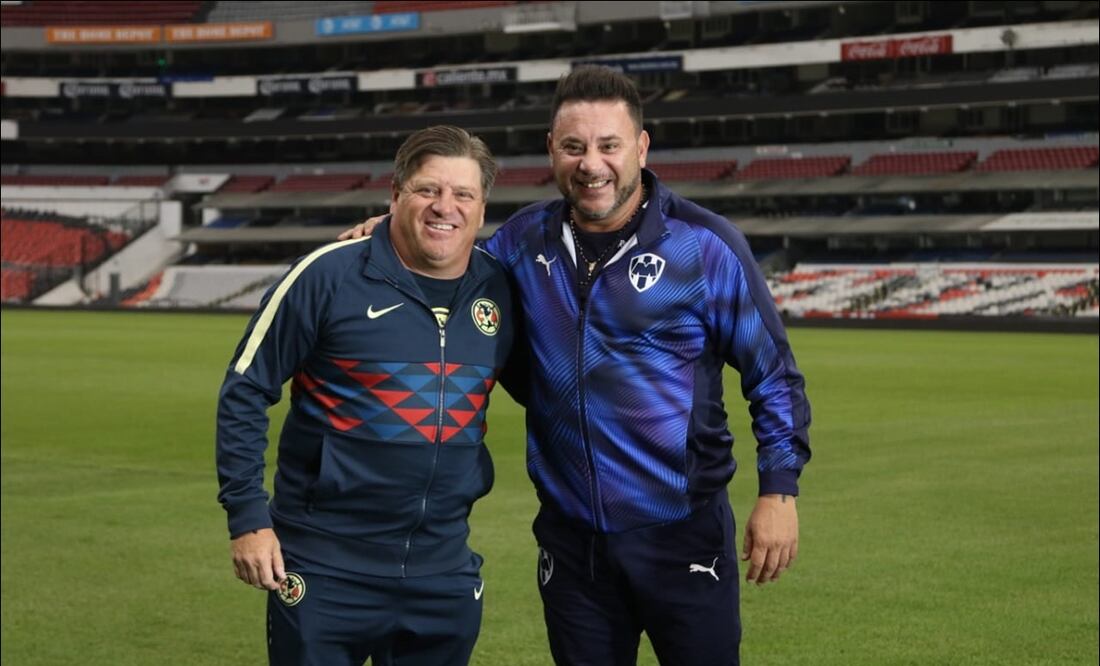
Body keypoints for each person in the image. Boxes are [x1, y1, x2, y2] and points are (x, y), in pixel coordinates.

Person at [340, 65, 811, 665]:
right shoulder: (521, 241)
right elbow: (450, 253)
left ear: (640, 146)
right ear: (552, 152)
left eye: (609, 145)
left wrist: (779, 492)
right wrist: (394, 225)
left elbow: (773, 375)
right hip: (571, 541)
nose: (592, 163)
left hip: (682, 533)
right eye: (574, 147)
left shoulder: (706, 246)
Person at [216, 125, 518, 666]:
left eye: (462, 194)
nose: (443, 206)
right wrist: (249, 519)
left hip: (443, 571)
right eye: (427, 189)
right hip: (325, 568)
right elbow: (245, 390)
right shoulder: (326, 276)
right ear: (395, 194)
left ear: (481, 207)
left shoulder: (503, 288)